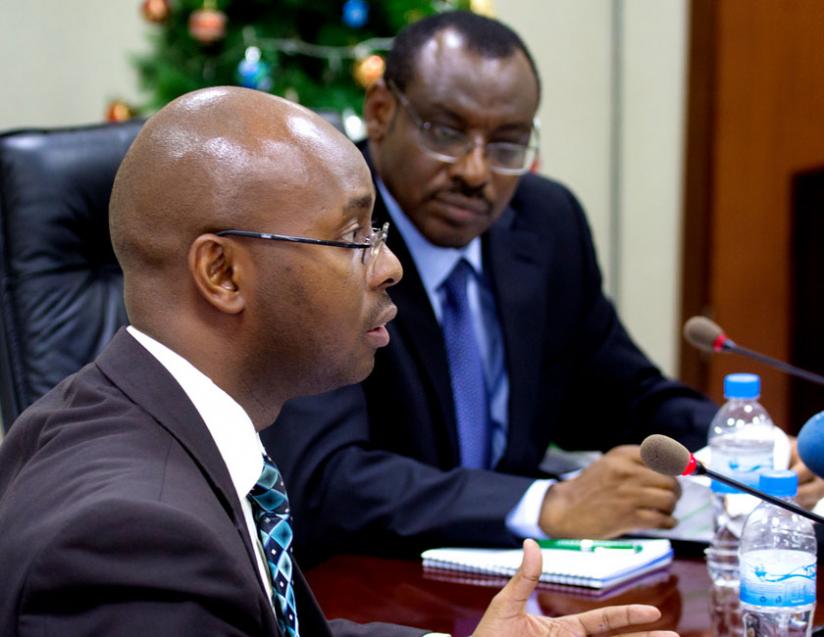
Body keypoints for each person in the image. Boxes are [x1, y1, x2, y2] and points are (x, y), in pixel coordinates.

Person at [0, 87, 678, 637]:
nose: (390, 265)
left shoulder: (112, 415)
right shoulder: (134, 543)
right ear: (223, 273)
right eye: (353, 236)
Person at [263, 10, 824, 563]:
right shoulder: (324, 237)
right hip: (369, 581)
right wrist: (546, 505)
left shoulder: (545, 222)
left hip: (525, 577)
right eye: (447, 133)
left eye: (507, 144)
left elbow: (622, 394)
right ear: (381, 112)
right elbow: (324, 479)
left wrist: (750, 450)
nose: (475, 172)